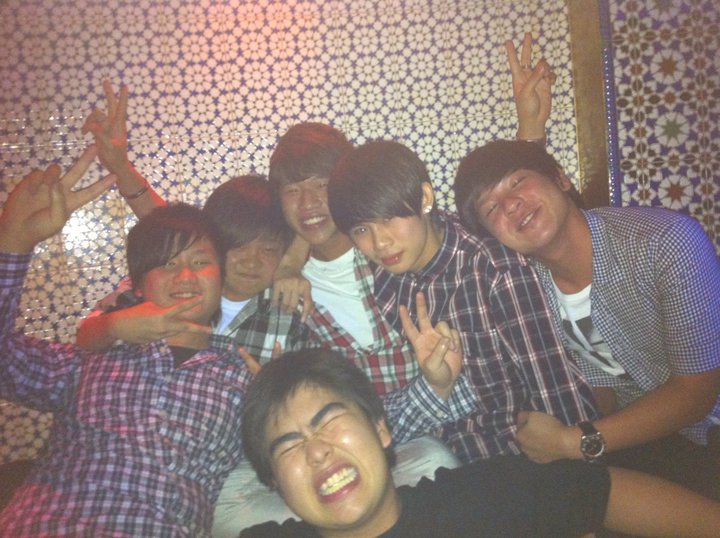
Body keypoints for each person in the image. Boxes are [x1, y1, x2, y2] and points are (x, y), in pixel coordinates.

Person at [0, 148, 254, 536]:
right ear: (136, 286)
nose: (185, 275)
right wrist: (13, 242)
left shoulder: (243, 381)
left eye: (200, 261)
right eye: (166, 263)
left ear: (221, 279)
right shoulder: (88, 362)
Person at [453, 138, 720, 498]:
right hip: (637, 440)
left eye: (518, 181)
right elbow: (599, 387)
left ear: (561, 178)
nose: (510, 204)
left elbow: (697, 393)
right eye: (490, 208)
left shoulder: (665, 243)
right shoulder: (526, 287)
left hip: (708, 429)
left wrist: (574, 441)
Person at [239, 348, 720, 537]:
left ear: (382, 430)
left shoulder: (484, 497)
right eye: (287, 445)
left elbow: (605, 494)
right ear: (275, 484)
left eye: (328, 420)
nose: (316, 450)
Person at [327, 139, 597, 463]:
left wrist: (579, 459)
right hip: (446, 450)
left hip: (515, 458)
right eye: (362, 229)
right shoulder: (387, 282)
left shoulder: (493, 269)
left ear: (425, 198)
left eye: (389, 218)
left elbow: (553, 383)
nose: (380, 242)